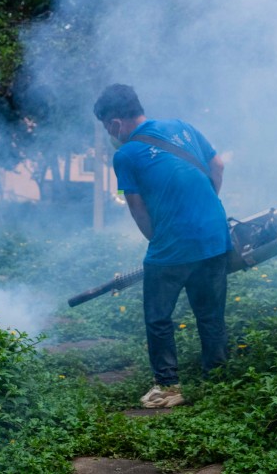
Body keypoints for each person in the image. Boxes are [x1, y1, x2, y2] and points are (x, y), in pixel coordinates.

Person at [93, 84, 230, 408]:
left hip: (172, 246)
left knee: (158, 318)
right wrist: (205, 207)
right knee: (210, 313)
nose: (109, 134)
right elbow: (219, 165)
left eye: (106, 128)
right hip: (215, 236)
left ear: (115, 124)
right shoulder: (182, 127)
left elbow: (137, 207)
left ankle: (168, 387)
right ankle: (218, 380)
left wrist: (159, 240)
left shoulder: (125, 154)